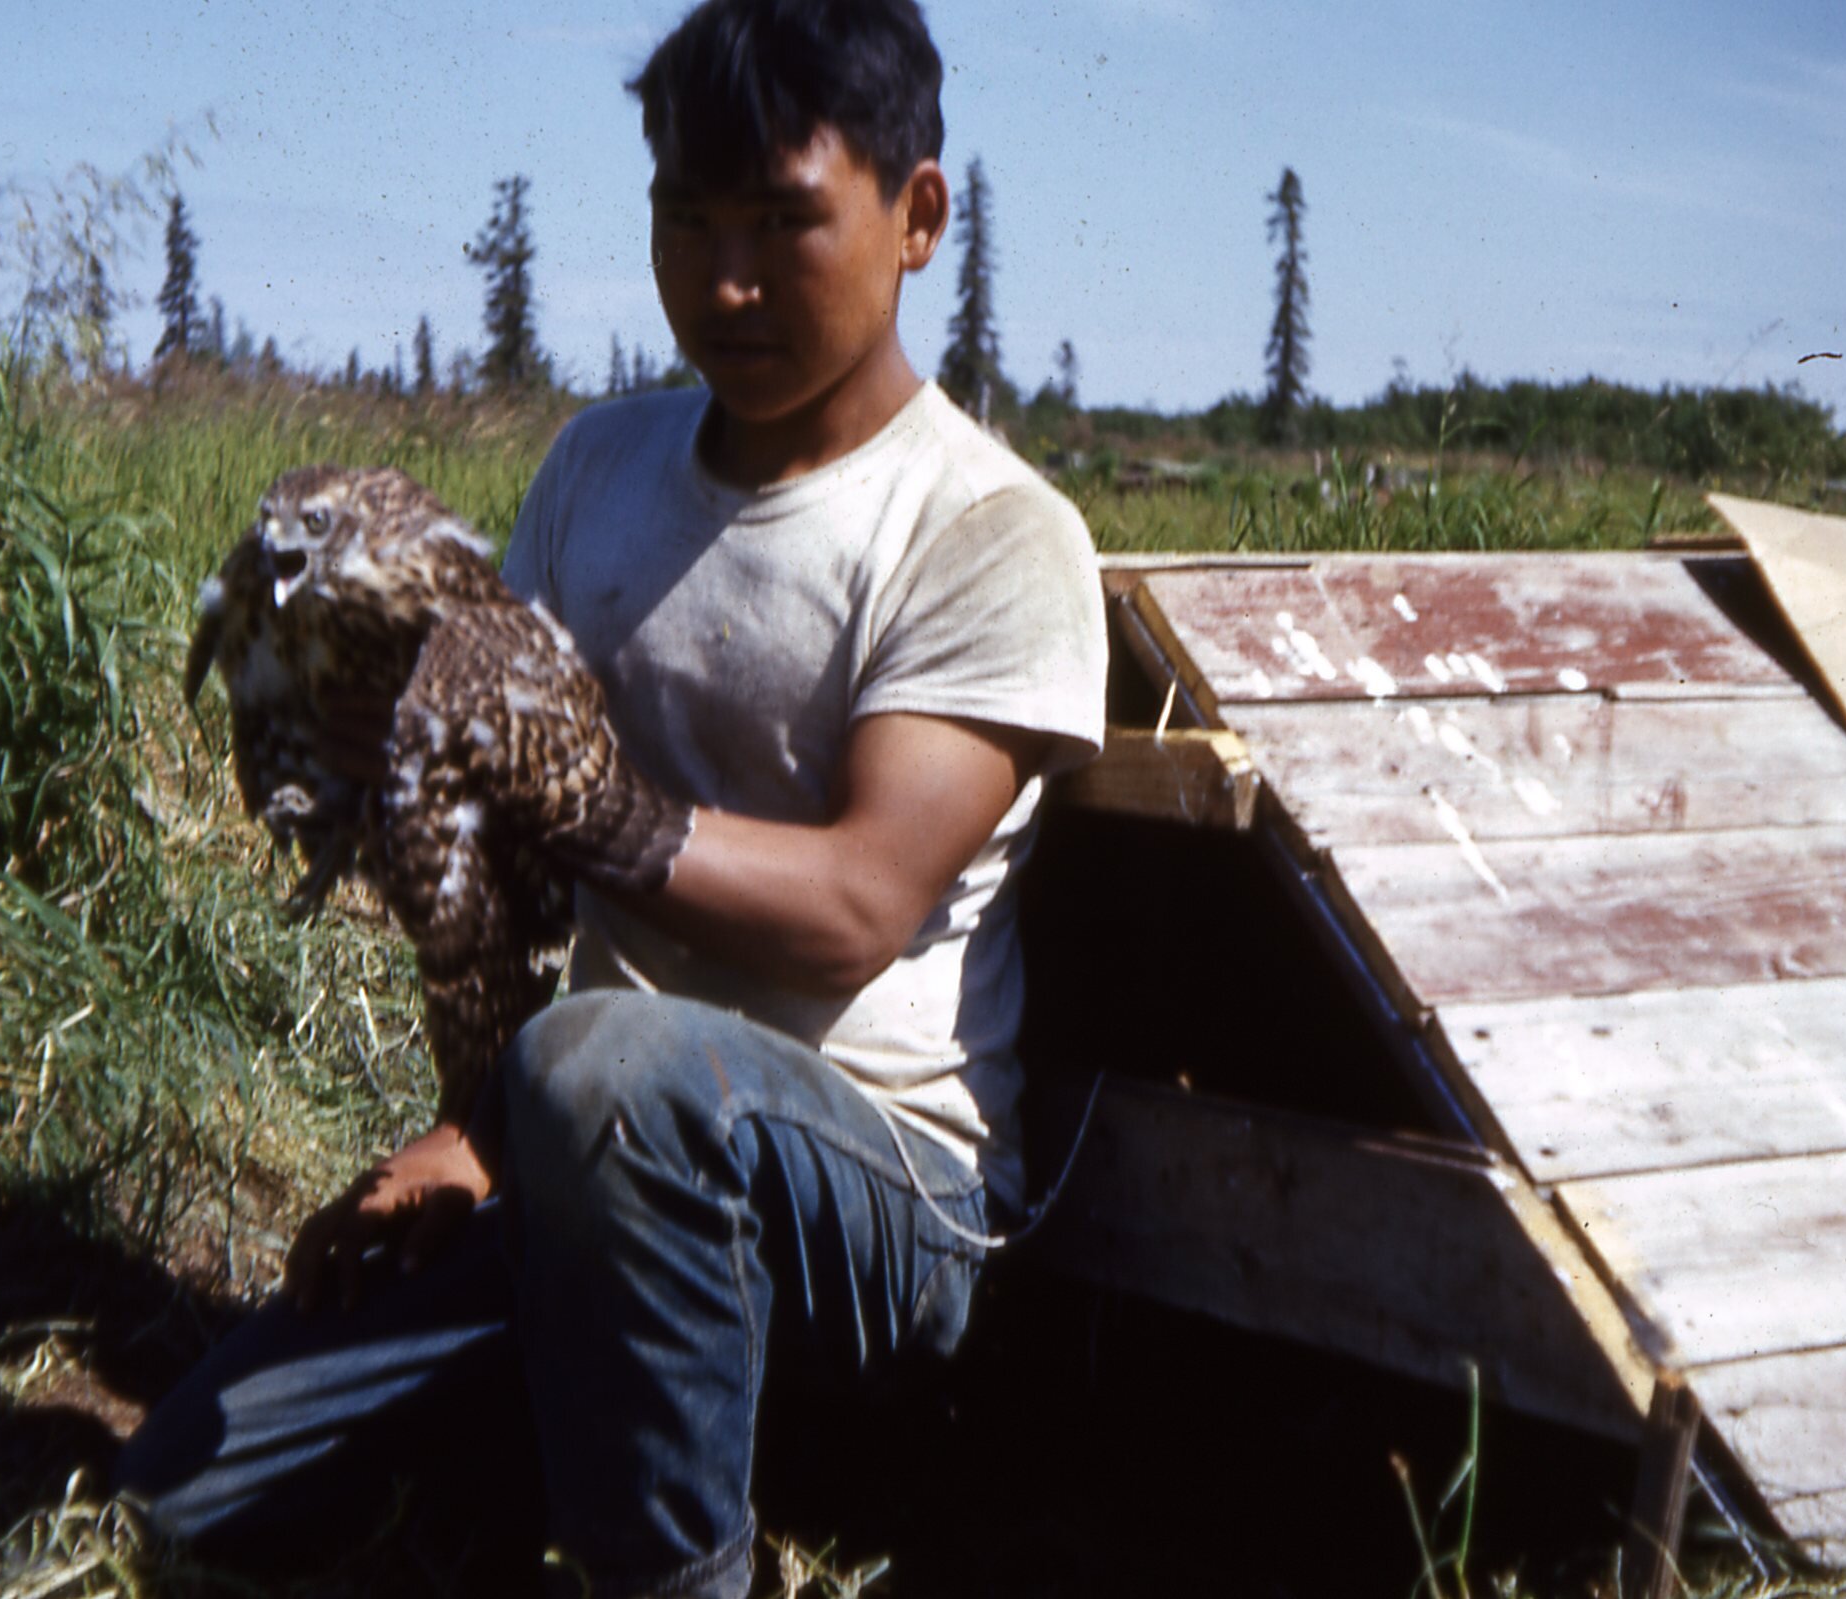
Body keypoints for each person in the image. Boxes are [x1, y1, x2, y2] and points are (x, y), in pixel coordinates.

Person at [112, 2, 1107, 1593]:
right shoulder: (597, 469)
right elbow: (503, 852)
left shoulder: (988, 527)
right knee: (187, 1504)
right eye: (685, 222)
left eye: (784, 222)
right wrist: (468, 1126)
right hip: (594, 1148)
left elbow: (856, 911)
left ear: (919, 215)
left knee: (607, 1068)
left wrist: (593, 816)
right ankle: (568, 1419)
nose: (726, 283)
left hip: (890, 1196)